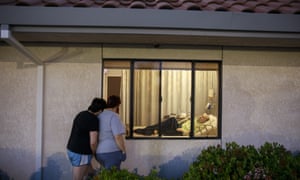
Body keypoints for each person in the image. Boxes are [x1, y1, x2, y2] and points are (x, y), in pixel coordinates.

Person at [66, 97, 106, 180]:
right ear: (101, 110)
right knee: (78, 178)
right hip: (81, 153)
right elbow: (93, 142)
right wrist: (94, 153)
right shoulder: (93, 119)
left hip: (71, 149)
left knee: (92, 174)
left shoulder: (81, 114)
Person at [96, 95, 127, 170]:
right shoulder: (114, 116)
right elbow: (118, 136)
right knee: (113, 175)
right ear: (117, 105)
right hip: (111, 151)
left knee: (105, 175)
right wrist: (123, 151)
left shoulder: (99, 115)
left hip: (99, 152)